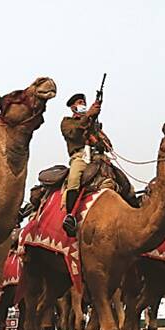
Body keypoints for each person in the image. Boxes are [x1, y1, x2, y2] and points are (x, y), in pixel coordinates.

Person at [60, 91, 112, 236]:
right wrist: (88, 116)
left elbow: (108, 145)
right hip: (80, 156)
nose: (82, 104)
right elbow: (73, 134)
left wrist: (100, 141)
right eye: (79, 103)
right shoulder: (67, 122)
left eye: (83, 102)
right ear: (72, 107)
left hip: (98, 157)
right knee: (74, 179)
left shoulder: (93, 124)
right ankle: (70, 217)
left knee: (123, 181)